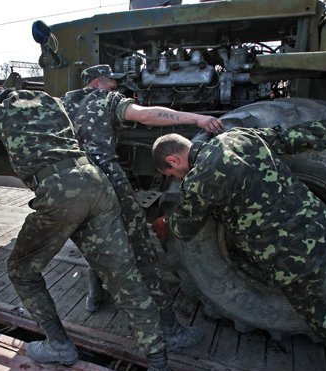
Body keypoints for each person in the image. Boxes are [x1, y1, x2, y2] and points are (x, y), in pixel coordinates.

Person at [0, 89, 175, 371]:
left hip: (58, 191)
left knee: (21, 270)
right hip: (96, 182)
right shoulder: (54, 102)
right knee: (125, 277)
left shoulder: (1, 112)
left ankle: (59, 345)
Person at [151, 112, 326, 371]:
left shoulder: (199, 181)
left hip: (298, 262)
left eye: (171, 173)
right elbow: (296, 137)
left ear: (172, 160)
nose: (176, 177)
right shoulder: (240, 136)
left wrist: (164, 223)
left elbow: (185, 228)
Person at [62, 64, 224, 350]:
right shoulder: (104, 99)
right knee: (143, 253)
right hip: (105, 180)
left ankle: (95, 295)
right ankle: (171, 332)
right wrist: (197, 118)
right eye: (113, 86)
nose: (117, 91)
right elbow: (146, 115)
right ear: (98, 84)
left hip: (70, 183)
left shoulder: (64, 102)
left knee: (94, 236)